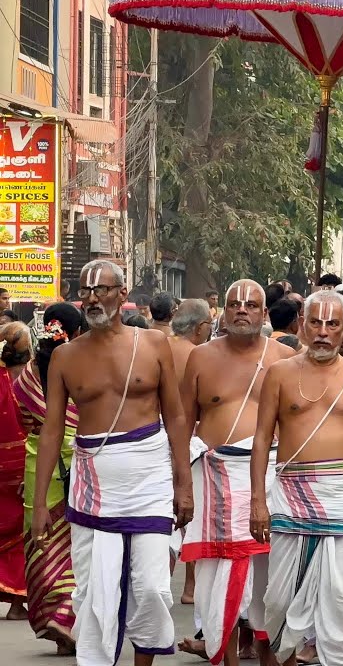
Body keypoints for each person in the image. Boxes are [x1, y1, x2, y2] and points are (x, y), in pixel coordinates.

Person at [31, 260, 194, 665]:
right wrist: (38, 505)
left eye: (101, 289)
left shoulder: (154, 345)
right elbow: (52, 431)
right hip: (93, 483)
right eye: (85, 291)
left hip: (150, 478)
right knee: (95, 591)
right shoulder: (66, 357)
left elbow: (175, 415)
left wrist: (184, 484)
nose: (91, 298)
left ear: (122, 295)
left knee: (152, 587)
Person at [249, 289, 343, 666]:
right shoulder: (278, 374)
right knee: (277, 599)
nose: (323, 332)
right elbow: (262, 439)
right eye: (316, 323)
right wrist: (258, 501)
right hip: (291, 495)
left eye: (332, 324)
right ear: (302, 326)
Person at [178, 280, 294, 666]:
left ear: (264, 314)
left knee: (271, 574)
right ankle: (225, 657)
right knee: (218, 575)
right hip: (214, 476)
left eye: (251, 304)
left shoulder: (284, 357)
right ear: (222, 312)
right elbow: (183, 424)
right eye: (234, 304)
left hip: (271, 475)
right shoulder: (201, 357)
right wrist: (181, 484)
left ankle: (269, 654)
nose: (242, 309)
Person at [16, 304, 81, 654]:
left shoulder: (27, 374)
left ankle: (52, 619)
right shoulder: (80, 365)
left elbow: (24, 420)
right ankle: (66, 616)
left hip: (37, 465)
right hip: (80, 462)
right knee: (74, 547)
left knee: (40, 543)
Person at [0, 323, 29, 621]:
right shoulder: (30, 381)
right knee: (20, 537)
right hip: (20, 466)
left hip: (8, 466)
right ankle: (16, 605)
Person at [169, 298, 213, 381]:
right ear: (199, 328)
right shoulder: (200, 357)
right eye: (210, 323)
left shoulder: (161, 345)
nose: (210, 328)